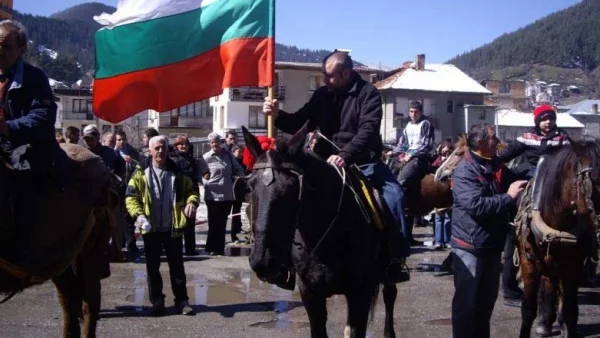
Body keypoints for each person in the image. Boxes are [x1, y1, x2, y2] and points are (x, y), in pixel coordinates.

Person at [263, 51, 410, 283]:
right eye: (323, 75)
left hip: (363, 161)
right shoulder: (322, 95)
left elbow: (367, 131)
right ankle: (284, 261)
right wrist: (278, 115)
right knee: (287, 194)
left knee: (395, 197)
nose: (324, 80)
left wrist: (345, 154)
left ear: (346, 73)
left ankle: (395, 259)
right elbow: (302, 122)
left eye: (329, 76)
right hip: (322, 162)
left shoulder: (368, 94)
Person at [451, 125, 527, 338]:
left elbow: (513, 181)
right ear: (481, 143)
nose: (499, 141)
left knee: (485, 304)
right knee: (467, 304)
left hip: (491, 246)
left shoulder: (495, 164)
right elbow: (476, 205)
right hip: (470, 247)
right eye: (494, 139)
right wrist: (509, 197)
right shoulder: (465, 170)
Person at [497, 105, 570, 308]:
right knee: (515, 220)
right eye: (544, 119)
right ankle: (515, 223)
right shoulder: (527, 137)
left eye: (551, 118)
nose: (548, 122)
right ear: (537, 121)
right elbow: (507, 154)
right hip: (531, 175)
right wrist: (493, 160)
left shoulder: (562, 138)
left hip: (554, 180)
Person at [125, 135, 199, 316]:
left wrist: (192, 202)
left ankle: (182, 301)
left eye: (163, 148)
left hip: (173, 228)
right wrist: (139, 215)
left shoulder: (178, 172)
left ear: (168, 150)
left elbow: (193, 191)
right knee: (152, 268)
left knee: (177, 268)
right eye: (157, 148)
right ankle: (157, 300)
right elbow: (130, 197)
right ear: (150, 150)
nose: (160, 151)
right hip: (150, 229)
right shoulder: (140, 172)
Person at [387, 100, 435, 246]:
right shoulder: (408, 126)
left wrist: (412, 154)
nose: (413, 115)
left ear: (421, 112)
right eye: (411, 112)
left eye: (416, 112)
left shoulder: (426, 124)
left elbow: (426, 144)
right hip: (408, 156)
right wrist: (393, 152)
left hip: (420, 158)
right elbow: (404, 144)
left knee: (400, 182)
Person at [202, 133, 244, 255]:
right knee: (213, 222)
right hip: (212, 195)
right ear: (209, 144)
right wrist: (206, 183)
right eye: (212, 142)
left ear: (220, 142)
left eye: (217, 141)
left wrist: (241, 178)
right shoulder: (206, 157)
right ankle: (211, 248)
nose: (215, 144)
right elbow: (199, 174)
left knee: (222, 222)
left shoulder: (228, 155)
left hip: (227, 194)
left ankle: (219, 248)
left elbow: (238, 168)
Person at [169, 135, 207, 256]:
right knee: (176, 223)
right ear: (176, 146)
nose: (183, 146)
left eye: (185, 144)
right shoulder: (171, 159)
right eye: (181, 144)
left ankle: (190, 249)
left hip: (191, 193)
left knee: (190, 223)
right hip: (176, 194)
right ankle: (175, 248)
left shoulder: (192, 160)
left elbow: (196, 176)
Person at [115, 129, 142, 255]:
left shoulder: (132, 152)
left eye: (123, 139)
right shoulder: (112, 152)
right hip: (116, 188)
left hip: (129, 187)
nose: (122, 142)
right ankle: (119, 243)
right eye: (119, 139)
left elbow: (140, 165)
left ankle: (131, 244)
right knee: (118, 217)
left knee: (129, 217)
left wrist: (132, 162)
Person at [431, 141, 453, 250]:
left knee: (449, 218)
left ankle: (448, 240)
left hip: (449, 194)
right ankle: (438, 241)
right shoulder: (437, 160)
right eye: (444, 148)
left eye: (448, 148)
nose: (446, 151)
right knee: (438, 218)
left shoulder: (453, 161)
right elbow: (433, 169)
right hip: (439, 193)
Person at [230, 145, 249, 243]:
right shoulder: (231, 162)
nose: (241, 154)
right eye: (239, 152)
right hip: (231, 190)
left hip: (240, 191)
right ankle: (232, 235)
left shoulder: (243, 162)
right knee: (231, 214)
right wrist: (235, 177)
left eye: (242, 152)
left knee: (236, 213)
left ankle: (235, 232)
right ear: (233, 152)